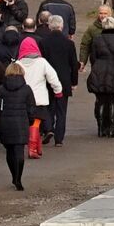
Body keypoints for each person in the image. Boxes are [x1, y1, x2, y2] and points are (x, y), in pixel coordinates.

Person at [0, 62, 35, 190]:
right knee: (19, 152)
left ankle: (13, 176)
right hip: (21, 123)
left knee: (9, 152)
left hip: (6, 124)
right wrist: (30, 121)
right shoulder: (26, 89)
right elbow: (31, 108)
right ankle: (18, 178)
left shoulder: (1, 89)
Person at [17, 36, 61, 157]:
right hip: (39, 98)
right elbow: (53, 77)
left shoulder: (18, 64)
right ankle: (33, 148)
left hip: (24, 98)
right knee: (36, 123)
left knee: (29, 123)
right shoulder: (42, 62)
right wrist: (58, 91)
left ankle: (37, 147)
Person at [38, 15, 78, 146]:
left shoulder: (43, 42)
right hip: (64, 79)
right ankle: (59, 139)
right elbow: (73, 64)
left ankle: (49, 128)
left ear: (49, 26)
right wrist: (74, 82)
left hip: (47, 79)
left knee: (49, 107)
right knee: (62, 110)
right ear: (62, 26)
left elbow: (41, 62)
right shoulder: (69, 43)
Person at [86, 15, 114, 137]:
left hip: (99, 69)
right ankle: (112, 127)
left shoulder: (97, 39)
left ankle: (101, 127)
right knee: (113, 99)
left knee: (100, 100)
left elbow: (93, 57)